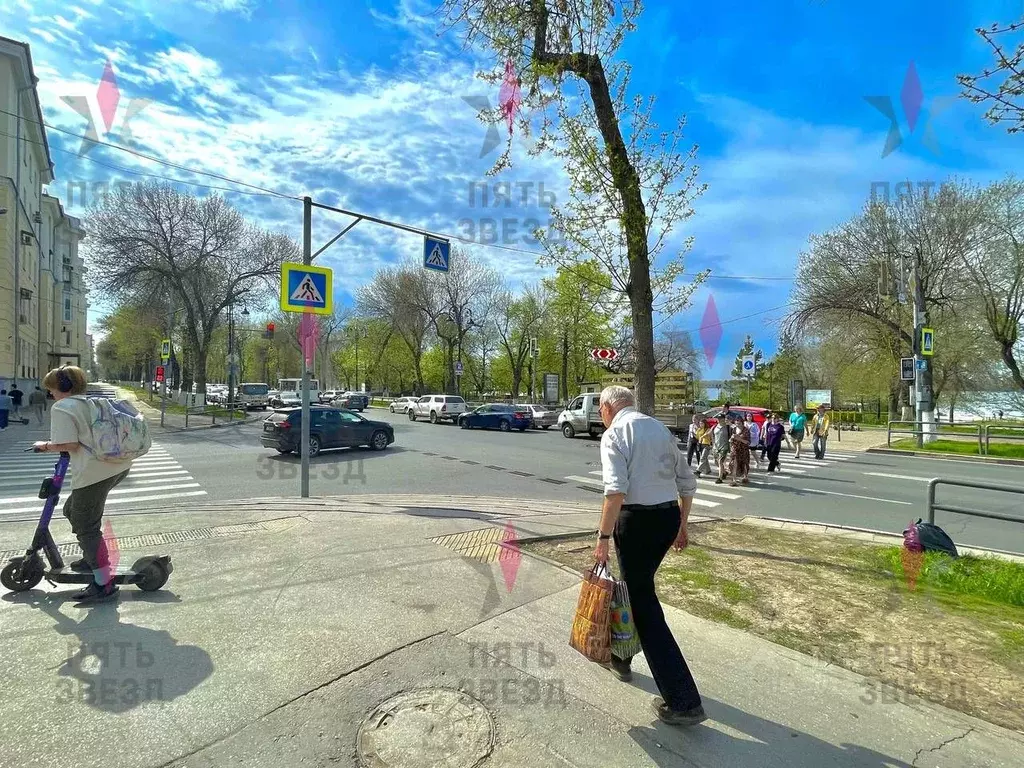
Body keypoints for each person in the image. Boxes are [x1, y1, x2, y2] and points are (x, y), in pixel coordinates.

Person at [591, 385, 706, 727]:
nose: (601, 416)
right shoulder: (659, 428)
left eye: (600, 410)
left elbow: (615, 492)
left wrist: (602, 539)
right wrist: (681, 525)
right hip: (667, 516)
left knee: (642, 602)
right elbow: (687, 483)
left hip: (636, 521)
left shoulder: (614, 435)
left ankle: (683, 699)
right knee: (634, 589)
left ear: (608, 408)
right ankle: (620, 657)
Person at [33, 366, 133, 604]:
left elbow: (69, 444)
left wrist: (44, 445)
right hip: (117, 466)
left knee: (85, 525)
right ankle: (92, 558)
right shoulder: (90, 402)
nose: (51, 395)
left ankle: (104, 583)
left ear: (64, 387)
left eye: (52, 390)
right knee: (72, 510)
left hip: (94, 473)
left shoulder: (63, 407)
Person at [730, 416, 751, 486]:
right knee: (734, 464)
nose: (737, 424)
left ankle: (745, 477)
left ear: (742, 423)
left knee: (744, 464)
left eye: (739, 423)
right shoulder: (734, 429)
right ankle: (734, 480)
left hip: (744, 450)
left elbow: (748, 442)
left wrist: (740, 439)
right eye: (736, 423)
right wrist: (731, 439)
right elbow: (731, 439)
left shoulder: (746, 430)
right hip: (735, 449)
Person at [712, 415, 732, 485]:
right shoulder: (715, 426)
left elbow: (733, 433)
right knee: (716, 462)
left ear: (724, 419)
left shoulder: (728, 427)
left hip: (724, 447)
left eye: (720, 418)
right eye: (718, 418)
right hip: (716, 447)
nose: (719, 420)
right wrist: (713, 444)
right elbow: (713, 436)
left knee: (720, 461)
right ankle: (724, 472)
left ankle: (719, 478)